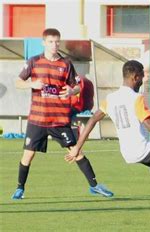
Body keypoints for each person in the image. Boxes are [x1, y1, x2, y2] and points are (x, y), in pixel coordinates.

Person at [66, 60, 150, 222]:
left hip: (127, 151)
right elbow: (149, 126)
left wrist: (77, 148)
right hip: (141, 148)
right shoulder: (136, 98)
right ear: (135, 77)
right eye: (142, 77)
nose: (142, 81)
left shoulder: (111, 98)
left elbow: (93, 120)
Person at [11, 28, 113, 200]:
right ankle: (20, 189)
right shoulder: (34, 62)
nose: (54, 45)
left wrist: (71, 92)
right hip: (38, 119)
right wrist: (32, 84)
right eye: (50, 42)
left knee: (76, 151)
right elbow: (17, 81)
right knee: (28, 154)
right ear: (44, 43)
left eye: (57, 41)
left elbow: (77, 86)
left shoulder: (65, 63)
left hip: (59, 120)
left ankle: (95, 186)